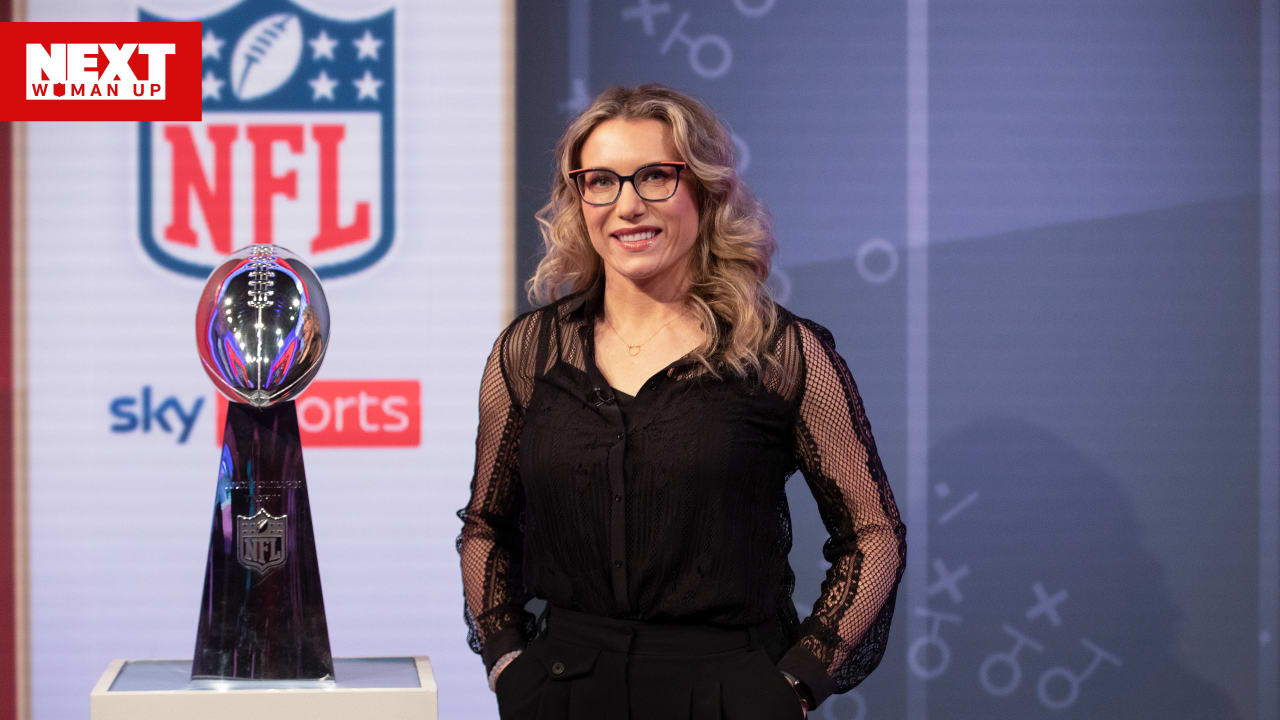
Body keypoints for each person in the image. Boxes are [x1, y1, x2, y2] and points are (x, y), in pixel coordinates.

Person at [457, 84, 906, 719]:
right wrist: (507, 659)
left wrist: (798, 682)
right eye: (600, 182)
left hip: (726, 694)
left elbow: (872, 533)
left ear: (705, 190)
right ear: (578, 199)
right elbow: (487, 526)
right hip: (561, 694)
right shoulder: (529, 352)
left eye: (655, 177)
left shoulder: (779, 351)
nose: (628, 206)